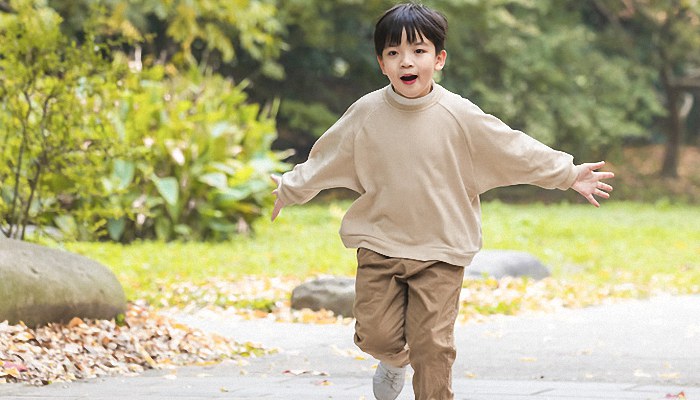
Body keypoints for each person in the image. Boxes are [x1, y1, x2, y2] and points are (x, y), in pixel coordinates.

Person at [269, 3, 614, 400]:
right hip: (380, 243)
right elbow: (325, 158)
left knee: (433, 345)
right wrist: (289, 188)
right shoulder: (366, 113)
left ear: (439, 58)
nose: (406, 62)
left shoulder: (458, 114)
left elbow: (512, 147)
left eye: (418, 51)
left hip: (442, 250)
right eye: (394, 53)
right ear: (382, 63)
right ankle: (395, 361)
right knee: (374, 337)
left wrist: (568, 173)